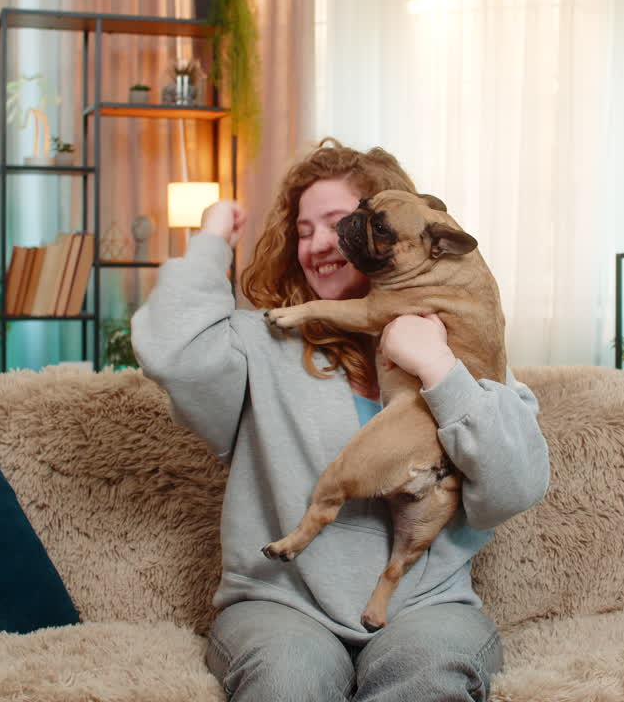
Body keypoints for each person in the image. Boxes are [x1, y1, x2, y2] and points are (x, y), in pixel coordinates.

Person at [130, 138, 549, 701]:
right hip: (281, 606)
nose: (320, 245)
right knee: (288, 678)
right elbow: (171, 351)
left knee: (428, 676)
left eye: (339, 222)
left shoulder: (468, 347)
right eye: (303, 232)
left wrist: (441, 370)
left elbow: (512, 489)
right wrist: (210, 240)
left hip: (424, 608)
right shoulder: (266, 339)